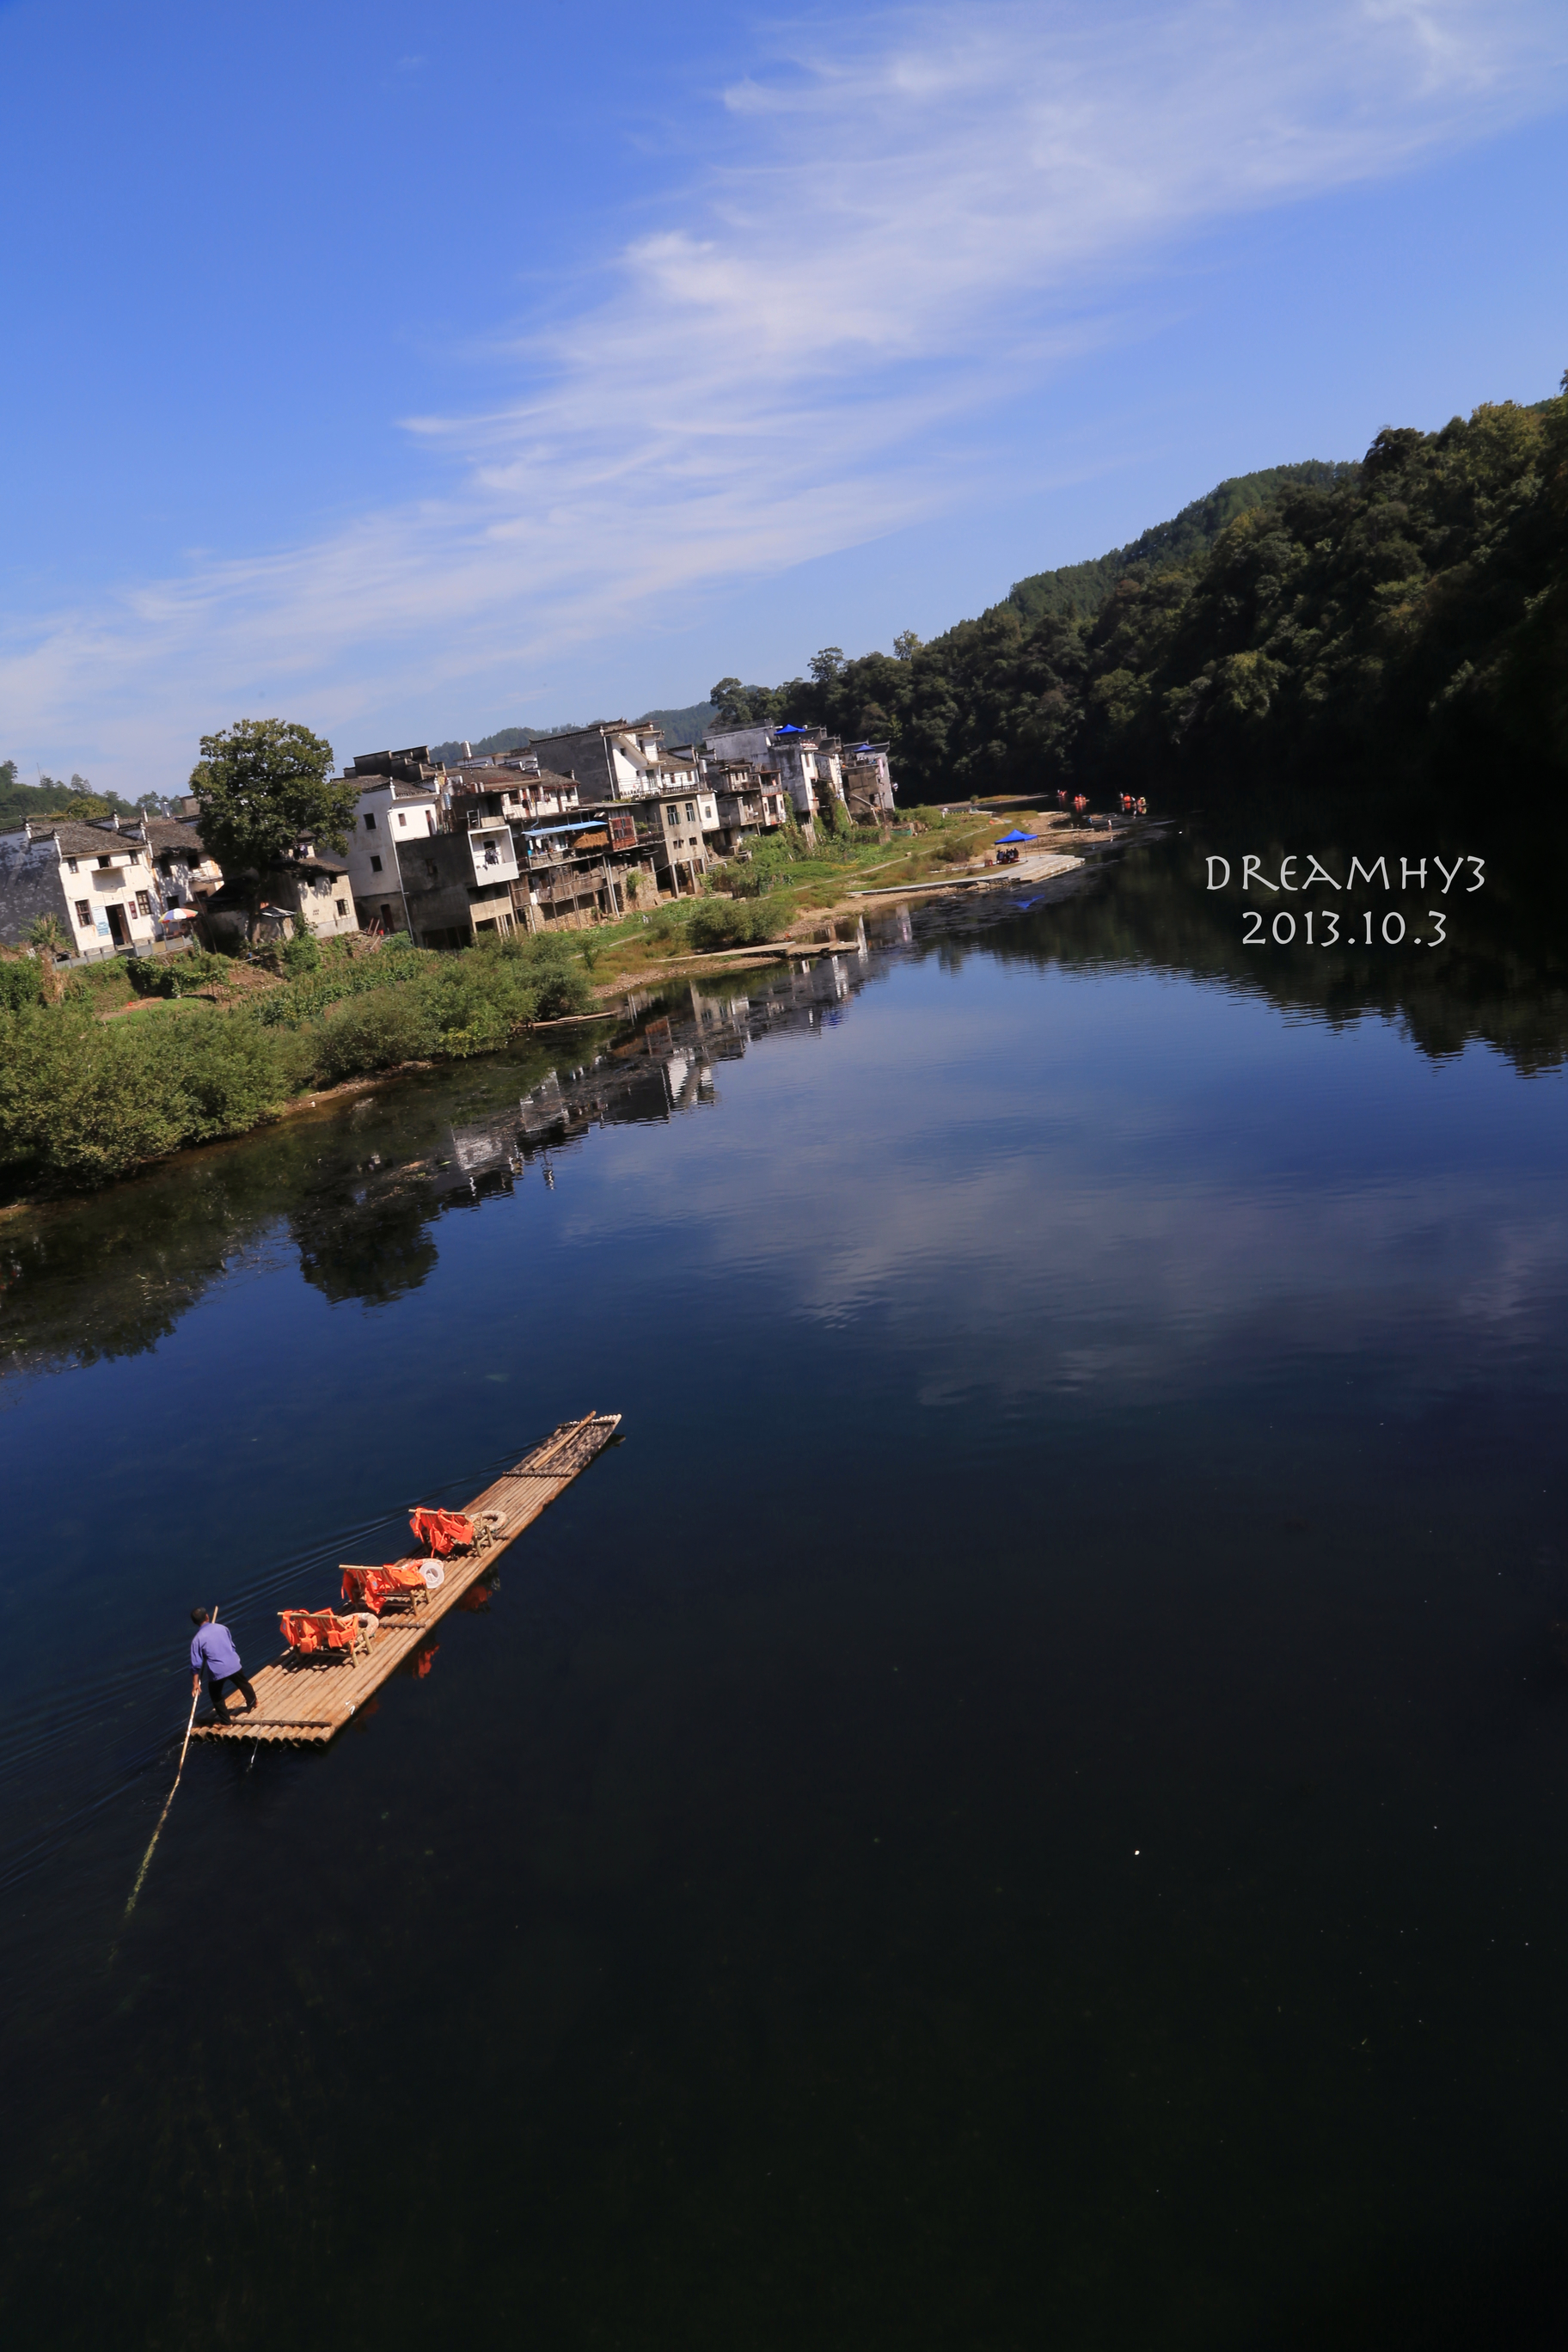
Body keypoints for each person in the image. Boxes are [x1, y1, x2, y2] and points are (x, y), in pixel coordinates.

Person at [190, 1608, 257, 1723]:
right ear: (207, 1617)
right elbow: (232, 1646)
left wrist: (195, 1684)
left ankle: (226, 1722)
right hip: (234, 1664)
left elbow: (196, 1665)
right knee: (243, 1683)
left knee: (216, 1696)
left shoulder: (197, 1640)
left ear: (195, 1623)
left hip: (217, 1671)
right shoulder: (222, 1628)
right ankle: (254, 1702)